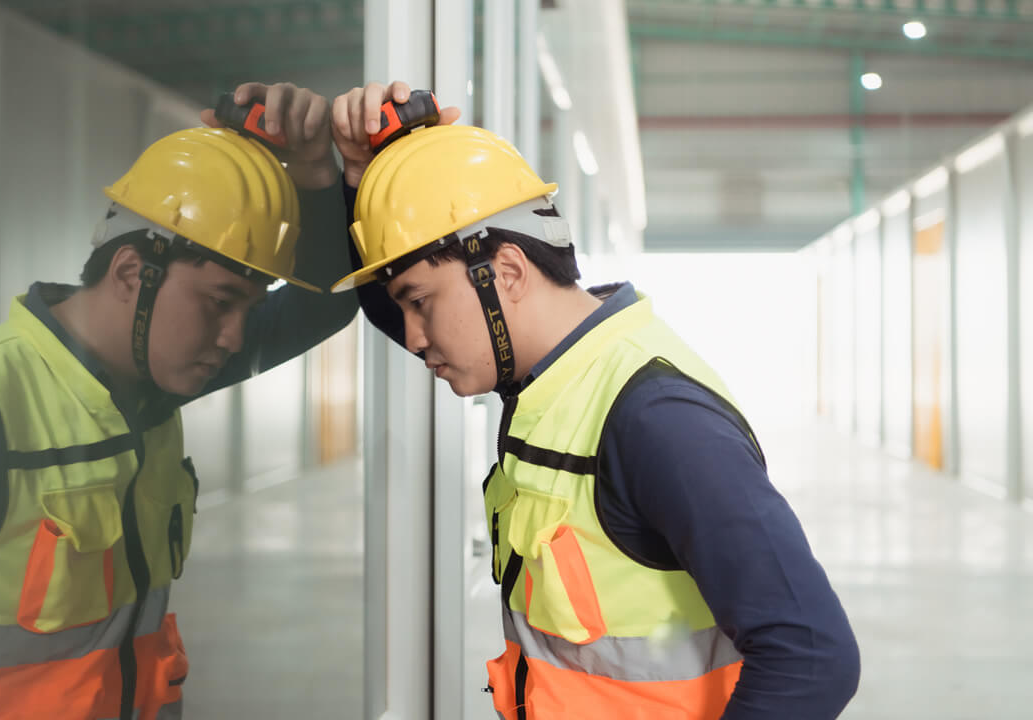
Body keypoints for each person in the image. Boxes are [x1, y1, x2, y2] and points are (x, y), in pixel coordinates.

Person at [330, 81, 860, 719]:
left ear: (507, 273)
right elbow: (420, 319)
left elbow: (811, 656)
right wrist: (364, 181)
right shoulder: (542, 379)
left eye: (419, 304)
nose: (413, 339)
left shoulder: (654, 419)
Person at [0, 81, 356, 720]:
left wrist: (318, 171)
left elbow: (326, 300)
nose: (234, 337)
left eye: (247, 306)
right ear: (132, 274)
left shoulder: (151, 381)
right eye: (218, 304)